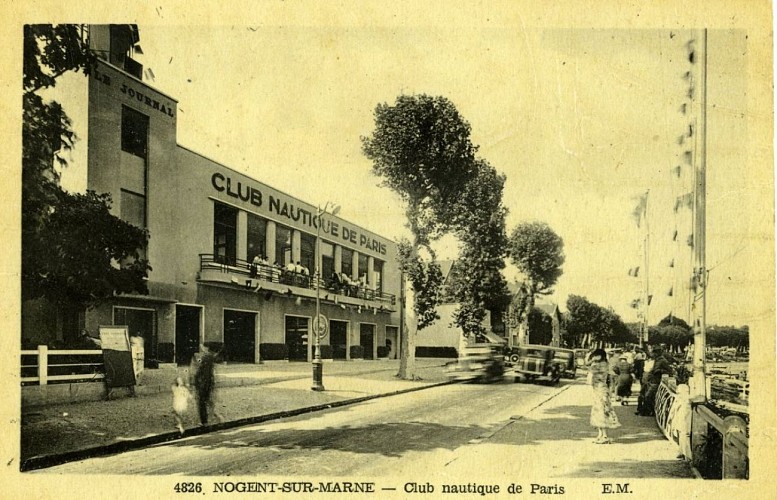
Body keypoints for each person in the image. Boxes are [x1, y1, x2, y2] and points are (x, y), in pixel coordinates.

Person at [587, 348, 620, 443]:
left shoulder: (598, 365)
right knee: (599, 411)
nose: (594, 357)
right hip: (600, 389)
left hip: (600, 390)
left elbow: (587, 365)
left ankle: (604, 435)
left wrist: (591, 359)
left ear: (600, 356)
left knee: (601, 412)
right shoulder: (605, 364)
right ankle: (600, 434)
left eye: (596, 355)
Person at [635, 345, 674, 416]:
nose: (654, 354)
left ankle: (649, 411)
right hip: (650, 380)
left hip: (656, 381)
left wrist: (660, 371)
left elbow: (670, 371)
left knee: (648, 396)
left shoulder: (663, 361)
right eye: (654, 352)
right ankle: (646, 411)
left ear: (659, 352)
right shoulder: (656, 360)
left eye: (655, 352)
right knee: (644, 395)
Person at [193, 343, 221, 425]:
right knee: (208, 401)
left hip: (204, 383)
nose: (202, 348)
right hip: (208, 383)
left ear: (206, 348)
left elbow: (201, 371)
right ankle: (215, 417)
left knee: (202, 402)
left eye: (203, 347)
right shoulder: (210, 357)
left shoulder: (206, 357)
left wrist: (197, 381)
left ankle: (205, 421)